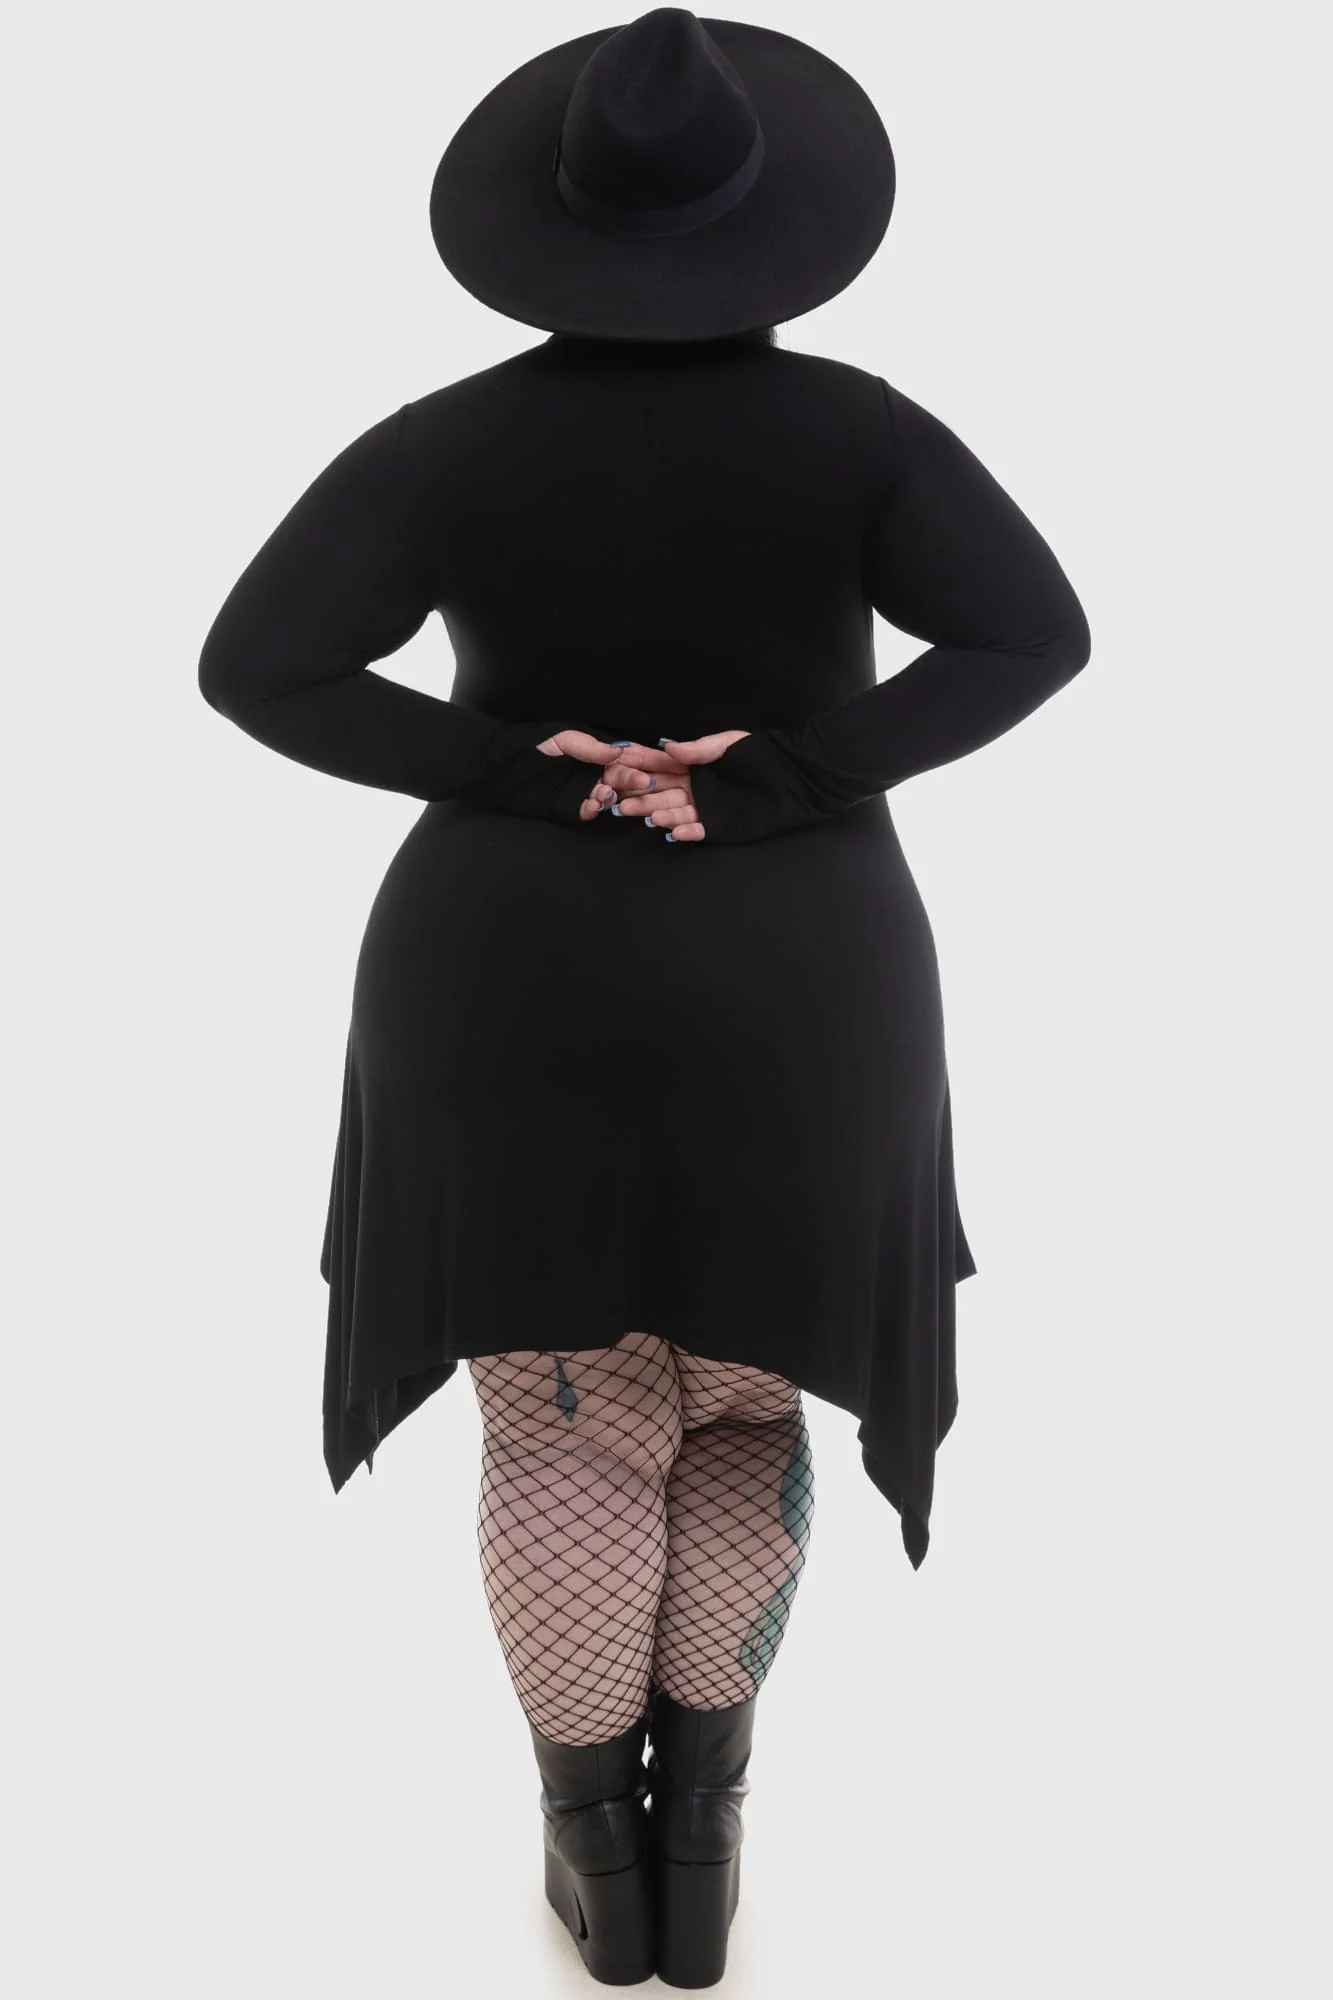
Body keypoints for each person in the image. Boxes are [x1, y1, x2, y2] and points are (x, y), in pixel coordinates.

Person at [196, 8, 1092, 1987]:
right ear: (774, 217)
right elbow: (1035, 634)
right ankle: (707, 1855)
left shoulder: (449, 440)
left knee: (566, 1419)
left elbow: (257, 665)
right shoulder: (864, 432)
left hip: (507, 979)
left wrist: (522, 769)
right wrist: (775, 774)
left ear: (551, 214)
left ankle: (601, 1859)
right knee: (740, 1396)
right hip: (806, 980)